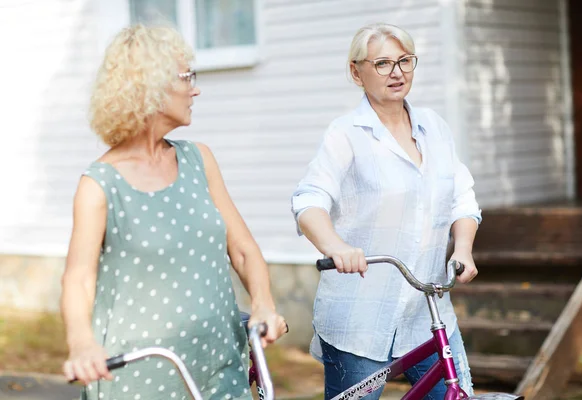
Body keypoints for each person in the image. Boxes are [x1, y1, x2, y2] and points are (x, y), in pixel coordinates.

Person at [60, 24, 286, 400]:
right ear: (149, 85)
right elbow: (79, 279)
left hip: (220, 366)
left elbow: (243, 250)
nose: (195, 88)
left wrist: (263, 305)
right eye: (187, 77)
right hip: (141, 378)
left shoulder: (200, 159)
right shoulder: (100, 184)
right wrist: (82, 343)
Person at [291, 23, 481, 400]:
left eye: (404, 61)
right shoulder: (346, 134)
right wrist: (336, 246)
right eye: (382, 63)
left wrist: (462, 248)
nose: (397, 72)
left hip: (429, 315)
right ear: (355, 71)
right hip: (359, 321)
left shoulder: (435, 127)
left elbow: (463, 197)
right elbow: (309, 201)